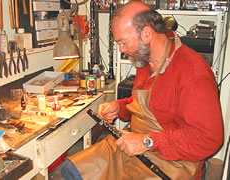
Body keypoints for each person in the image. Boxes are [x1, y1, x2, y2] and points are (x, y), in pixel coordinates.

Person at [61, 1, 224, 179]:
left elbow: (208, 139)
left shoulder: (192, 72)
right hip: (135, 144)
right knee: (71, 169)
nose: (121, 50)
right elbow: (149, 105)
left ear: (146, 33)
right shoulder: (144, 61)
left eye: (123, 42)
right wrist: (120, 107)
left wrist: (148, 141)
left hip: (172, 160)